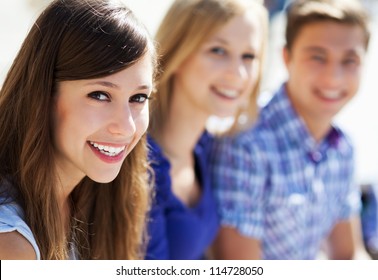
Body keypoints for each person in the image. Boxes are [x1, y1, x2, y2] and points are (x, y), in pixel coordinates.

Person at [210, 0, 371, 259]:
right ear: (286, 57)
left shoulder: (343, 148)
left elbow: (348, 255)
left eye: (350, 60)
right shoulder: (246, 143)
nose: (334, 77)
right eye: (318, 57)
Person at [0, 0, 157, 260]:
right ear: (43, 94)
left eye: (138, 98)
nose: (126, 127)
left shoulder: (100, 203)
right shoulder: (11, 247)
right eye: (100, 95)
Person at [145, 0, 268, 259]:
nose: (238, 74)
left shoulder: (207, 149)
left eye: (249, 56)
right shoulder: (141, 166)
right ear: (176, 53)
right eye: (218, 51)